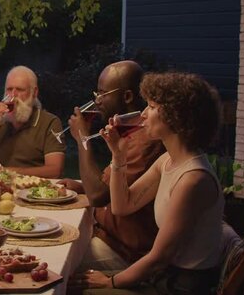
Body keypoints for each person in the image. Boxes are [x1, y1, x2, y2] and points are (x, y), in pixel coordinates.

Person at [75, 72, 225, 294]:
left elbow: (159, 258)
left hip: (179, 285)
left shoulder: (194, 180)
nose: (143, 114)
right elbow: (121, 206)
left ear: (177, 116)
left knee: (77, 287)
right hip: (162, 276)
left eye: (152, 107)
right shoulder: (167, 161)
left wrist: (110, 282)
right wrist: (118, 156)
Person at [58, 61, 164, 271]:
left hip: (123, 251)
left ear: (127, 97)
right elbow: (111, 186)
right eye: (97, 93)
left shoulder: (144, 142)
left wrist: (82, 138)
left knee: (54, 265)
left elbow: (99, 196)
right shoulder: (129, 131)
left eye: (103, 93)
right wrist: (81, 186)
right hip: (104, 235)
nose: (97, 101)